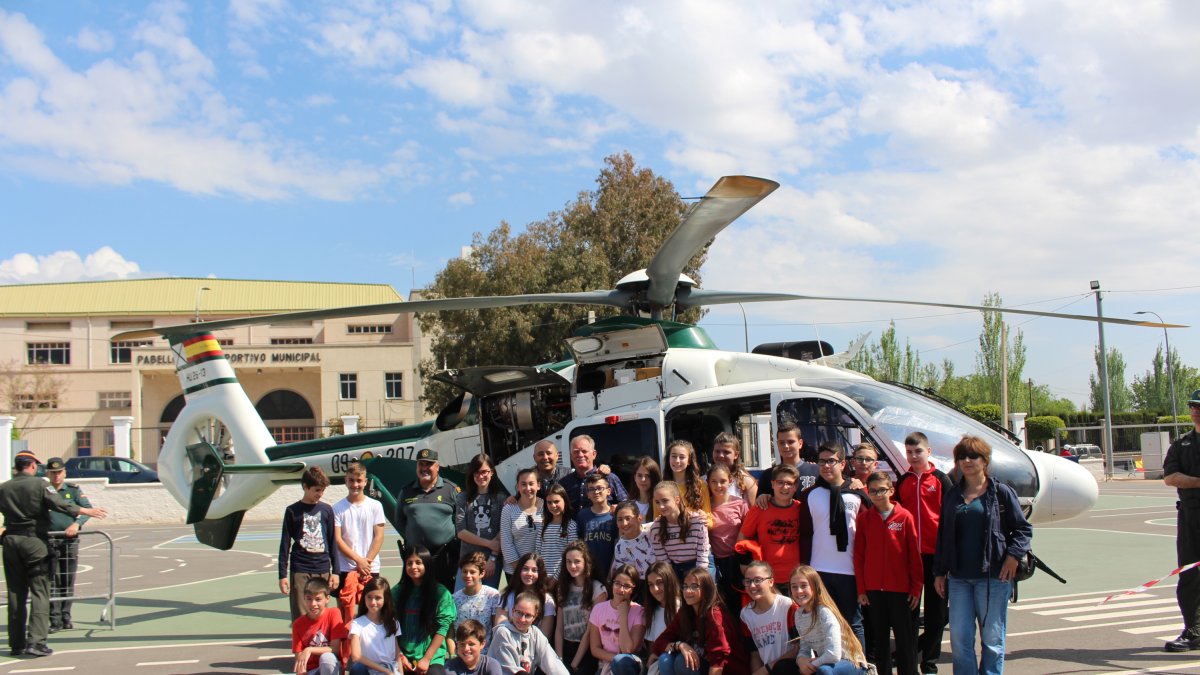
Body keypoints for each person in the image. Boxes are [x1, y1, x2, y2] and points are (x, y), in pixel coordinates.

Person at [933, 436, 1032, 675]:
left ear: (985, 460)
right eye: (962, 457)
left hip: (993, 578)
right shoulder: (952, 495)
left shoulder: (1000, 493)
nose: (967, 461)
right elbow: (943, 536)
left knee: (992, 640)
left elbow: (1023, 529)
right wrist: (939, 572)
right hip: (959, 578)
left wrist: (1013, 556)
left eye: (973, 456)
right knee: (960, 639)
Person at [0, 452, 107, 657]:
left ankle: (16, 644)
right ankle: (36, 642)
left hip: (11, 542)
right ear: (32, 465)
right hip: (33, 541)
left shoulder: (4, 487)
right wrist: (85, 512)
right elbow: (60, 504)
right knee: (40, 591)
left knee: (15, 594)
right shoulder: (40, 485)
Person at [894, 432, 952, 673]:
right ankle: (909, 660)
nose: (914, 456)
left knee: (936, 614)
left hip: (936, 556)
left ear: (928, 451)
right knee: (909, 611)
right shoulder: (903, 481)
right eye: (909, 452)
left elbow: (950, 519)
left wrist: (947, 555)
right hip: (910, 557)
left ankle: (929, 663)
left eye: (918, 451)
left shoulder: (941, 480)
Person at [799, 442, 866, 650]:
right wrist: (805, 569)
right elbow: (805, 535)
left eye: (831, 461)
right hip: (820, 570)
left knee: (853, 624)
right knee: (824, 623)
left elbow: (865, 535)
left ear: (842, 464)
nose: (826, 466)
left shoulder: (857, 494)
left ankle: (859, 665)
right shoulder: (810, 494)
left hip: (850, 570)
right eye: (822, 462)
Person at [854, 472, 921, 675]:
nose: (877, 495)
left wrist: (916, 588)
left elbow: (914, 556)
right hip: (874, 589)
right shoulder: (864, 519)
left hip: (900, 589)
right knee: (880, 640)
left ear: (891, 491)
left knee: (904, 639)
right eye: (873, 491)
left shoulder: (905, 516)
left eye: (882, 490)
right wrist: (862, 589)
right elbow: (859, 555)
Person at [650, 567, 749, 675]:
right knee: (665, 659)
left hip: (725, 671)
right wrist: (680, 645)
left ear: (706, 589)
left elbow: (718, 660)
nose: (688, 591)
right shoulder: (685, 612)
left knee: (682, 661)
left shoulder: (715, 615)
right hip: (702, 667)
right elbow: (659, 642)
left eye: (694, 586)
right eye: (685, 586)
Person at [1164, 390, 1200, 652]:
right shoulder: (1182, 444)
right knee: (1189, 574)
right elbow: (1171, 477)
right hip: (1190, 516)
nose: (1196, 411)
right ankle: (1194, 630)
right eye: (1193, 406)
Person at [397, 448, 462, 591]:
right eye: (421, 464)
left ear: (437, 467)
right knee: (416, 593)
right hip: (416, 556)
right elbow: (400, 520)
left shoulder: (451, 489)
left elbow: (461, 519)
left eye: (429, 464)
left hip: (444, 556)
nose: (424, 468)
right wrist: (413, 536)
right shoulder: (406, 491)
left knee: (444, 593)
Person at [280, 466, 338, 624]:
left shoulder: (326, 510)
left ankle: (319, 638)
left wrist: (336, 572)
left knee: (321, 612)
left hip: (322, 568)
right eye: (317, 490)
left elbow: (332, 541)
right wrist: (282, 575)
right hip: (300, 569)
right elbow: (285, 544)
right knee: (301, 613)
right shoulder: (292, 511)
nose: (320, 494)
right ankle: (301, 639)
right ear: (305, 487)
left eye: (322, 490)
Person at [790, 565, 869, 675]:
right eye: (794, 587)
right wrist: (801, 661)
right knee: (785, 666)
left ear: (815, 587)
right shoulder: (799, 614)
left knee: (824, 670)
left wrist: (812, 664)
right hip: (827, 662)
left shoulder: (824, 612)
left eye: (804, 586)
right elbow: (805, 647)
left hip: (851, 663)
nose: (799, 591)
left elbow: (834, 655)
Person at [334, 461, 387, 624]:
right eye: (351, 480)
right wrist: (358, 561)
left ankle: (368, 637)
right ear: (346, 480)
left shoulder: (375, 506)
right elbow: (338, 539)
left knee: (372, 607)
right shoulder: (337, 508)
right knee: (344, 609)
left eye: (359, 480)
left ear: (365, 481)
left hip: (370, 567)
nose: (355, 484)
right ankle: (344, 638)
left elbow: (379, 537)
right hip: (345, 567)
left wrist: (366, 562)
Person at [739, 464, 807, 593]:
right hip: (766, 577)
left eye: (789, 483)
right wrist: (744, 563)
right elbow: (743, 537)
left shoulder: (801, 509)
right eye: (780, 482)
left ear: (796, 487)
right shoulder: (760, 508)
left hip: (795, 577)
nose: (784, 487)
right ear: (772, 484)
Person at [44, 456, 93, 633]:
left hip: (69, 540)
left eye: (59, 472)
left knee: (67, 579)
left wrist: (77, 524)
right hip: (50, 540)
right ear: (48, 474)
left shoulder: (72, 490)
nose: (56, 476)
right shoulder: (44, 491)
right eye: (53, 473)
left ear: (64, 472)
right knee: (53, 580)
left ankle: (66, 617)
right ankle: (55, 620)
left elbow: (87, 510)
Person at [395, 545, 456, 675]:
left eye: (418, 562)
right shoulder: (397, 592)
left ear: (427, 565)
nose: (413, 567)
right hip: (402, 656)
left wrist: (426, 659)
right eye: (409, 563)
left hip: (432, 657)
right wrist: (400, 655)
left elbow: (443, 628)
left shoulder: (441, 593)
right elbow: (389, 626)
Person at [455, 454, 506, 590]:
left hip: (491, 563)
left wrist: (493, 558)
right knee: (461, 598)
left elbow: (503, 530)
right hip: (467, 561)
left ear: (492, 472)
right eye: (476, 472)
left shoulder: (501, 499)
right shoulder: (463, 497)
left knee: (487, 600)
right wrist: (489, 543)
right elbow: (461, 532)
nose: (480, 476)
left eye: (484, 472)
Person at [740, 560, 800, 675]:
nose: (752, 585)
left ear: (771, 582)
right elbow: (754, 654)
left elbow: (798, 648)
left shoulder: (788, 606)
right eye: (748, 581)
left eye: (757, 580)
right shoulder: (745, 615)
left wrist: (767, 669)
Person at [556, 541, 607, 675]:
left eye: (577, 561)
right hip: (565, 648)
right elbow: (559, 628)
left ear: (586, 563)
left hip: (587, 651)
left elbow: (590, 631)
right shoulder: (563, 588)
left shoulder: (598, 590)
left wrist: (575, 663)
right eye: (568, 562)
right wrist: (558, 659)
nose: (572, 566)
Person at [490, 592, 570, 675]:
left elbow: (553, 663)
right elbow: (511, 671)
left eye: (528, 615)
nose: (522, 619)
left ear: (535, 617)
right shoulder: (503, 632)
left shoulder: (535, 634)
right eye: (519, 613)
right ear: (513, 611)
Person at [588, 564, 647, 675]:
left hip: (629, 665)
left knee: (621, 663)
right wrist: (615, 659)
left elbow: (627, 650)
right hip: (607, 664)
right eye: (617, 583)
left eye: (626, 586)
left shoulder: (639, 611)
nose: (621, 589)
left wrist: (623, 617)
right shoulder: (599, 609)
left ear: (633, 589)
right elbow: (595, 649)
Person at [649, 481, 710, 581]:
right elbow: (663, 560)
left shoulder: (697, 521)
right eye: (657, 502)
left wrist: (698, 577)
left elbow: (702, 553)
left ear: (677, 500)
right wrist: (671, 578)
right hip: (675, 568)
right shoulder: (656, 528)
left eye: (665, 501)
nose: (661, 506)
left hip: (698, 563)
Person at [708, 464, 748, 612]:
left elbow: (748, 531)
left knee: (737, 602)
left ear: (730, 481)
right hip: (715, 561)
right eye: (714, 481)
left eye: (722, 481)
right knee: (719, 603)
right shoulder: (705, 505)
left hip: (736, 560)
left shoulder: (740, 504)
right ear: (708, 482)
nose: (718, 485)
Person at [292, 577, 348, 675]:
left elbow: (335, 649)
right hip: (311, 671)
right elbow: (299, 660)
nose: (313, 604)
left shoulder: (333, 613)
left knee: (327, 658)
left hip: (332, 667)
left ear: (327, 599)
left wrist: (309, 649)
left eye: (318, 599)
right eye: (309, 599)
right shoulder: (298, 624)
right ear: (304, 598)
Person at [558, 435, 629, 512]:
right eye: (576, 452)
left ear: (594, 454)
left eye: (584, 451)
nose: (580, 455)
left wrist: (617, 509)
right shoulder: (564, 483)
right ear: (571, 456)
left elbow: (627, 504)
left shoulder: (609, 478)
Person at [497, 552, 557, 638]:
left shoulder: (547, 601)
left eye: (534, 570)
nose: (529, 573)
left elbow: (545, 635)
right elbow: (500, 624)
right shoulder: (506, 595)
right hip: (508, 641)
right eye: (525, 569)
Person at [757, 422, 821, 503]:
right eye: (782, 443)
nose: (786, 446)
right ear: (777, 444)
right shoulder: (768, 475)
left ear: (800, 443)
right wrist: (762, 497)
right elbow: (760, 505)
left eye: (790, 442)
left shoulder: (817, 471)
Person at [351, 576, 402, 675]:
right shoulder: (357, 624)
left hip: (390, 670)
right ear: (364, 597)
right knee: (357, 668)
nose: (373, 602)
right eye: (369, 597)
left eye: (378, 598)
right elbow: (356, 656)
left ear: (385, 599)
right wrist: (385, 671)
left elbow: (397, 656)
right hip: (369, 671)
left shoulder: (393, 623)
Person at [500, 468, 543, 581]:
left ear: (538, 485)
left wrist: (535, 570)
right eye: (523, 484)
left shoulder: (547, 507)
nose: (528, 488)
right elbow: (506, 543)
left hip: (541, 570)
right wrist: (523, 571)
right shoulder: (508, 509)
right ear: (517, 487)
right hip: (515, 571)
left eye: (531, 484)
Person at [575, 473, 619, 577]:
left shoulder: (615, 515)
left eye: (600, 488)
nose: (596, 492)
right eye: (591, 489)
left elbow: (618, 543)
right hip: (589, 571)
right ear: (588, 494)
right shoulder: (582, 515)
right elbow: (579, 544)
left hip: (611, 569)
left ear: (608, 491)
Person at [659, 440, 712, 525]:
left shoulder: (701, 485)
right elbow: (657, 520)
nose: (677, 460)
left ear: (689, 461)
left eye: (682, 457)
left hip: (694, 532)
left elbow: (709, 520)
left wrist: (704, 519)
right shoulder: (661, 488)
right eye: (674, 456)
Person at [643, 562, 682, 675]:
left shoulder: (682, 607)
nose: (655, 589)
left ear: (669, 581)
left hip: (679, 659)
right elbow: (652, 644)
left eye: (660, 583)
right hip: (659, 662)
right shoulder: (652, 611)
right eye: (650, 584)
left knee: (666, 660)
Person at [537, 483, 578, 580]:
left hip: (562, 578)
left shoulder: (571, 526)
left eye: (556, 501)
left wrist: (555, 579)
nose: (553, 505)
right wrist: (540, 574)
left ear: (565, 501)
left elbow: (571, 555)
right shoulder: (543, 525)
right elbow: (537, 551)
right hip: (543, 577)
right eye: (549, 502)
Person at [453, 552, 501, 634]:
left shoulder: (492, 595)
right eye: (465, 571)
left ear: (481, 573)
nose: (468, 575)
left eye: (472, 572)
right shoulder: (454, 598)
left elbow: (496, 627)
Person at [611, 499, 655, 577]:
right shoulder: (620, 547)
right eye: (620, 519)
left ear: (639, 518)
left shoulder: (653, 529)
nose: (624, 523)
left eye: (628, 518)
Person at [711, 432, 758, 503]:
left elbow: (754, 509)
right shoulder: (704, 481)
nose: (721, 455)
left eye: (726, 452)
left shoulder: (747, 482)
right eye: (717, 451)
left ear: (736, 455)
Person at [632, 456, 662, 522]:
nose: (643, 479)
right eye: (639, 475)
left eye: (647, 476)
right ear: (635, 478)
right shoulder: (627, 504)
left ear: (654, 478)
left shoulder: (661, 504)